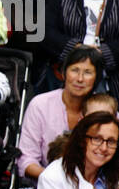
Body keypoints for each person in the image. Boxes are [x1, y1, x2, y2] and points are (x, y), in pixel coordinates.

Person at [18, 45, 104, 181]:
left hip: (95, 184)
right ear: (63, 73)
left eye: (88, 72)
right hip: (48, 183)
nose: (80, 78)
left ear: (96, 78)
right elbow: (26, 161)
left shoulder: (103, 108)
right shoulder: (40, 104)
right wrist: (57, 180)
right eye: (75, 70)